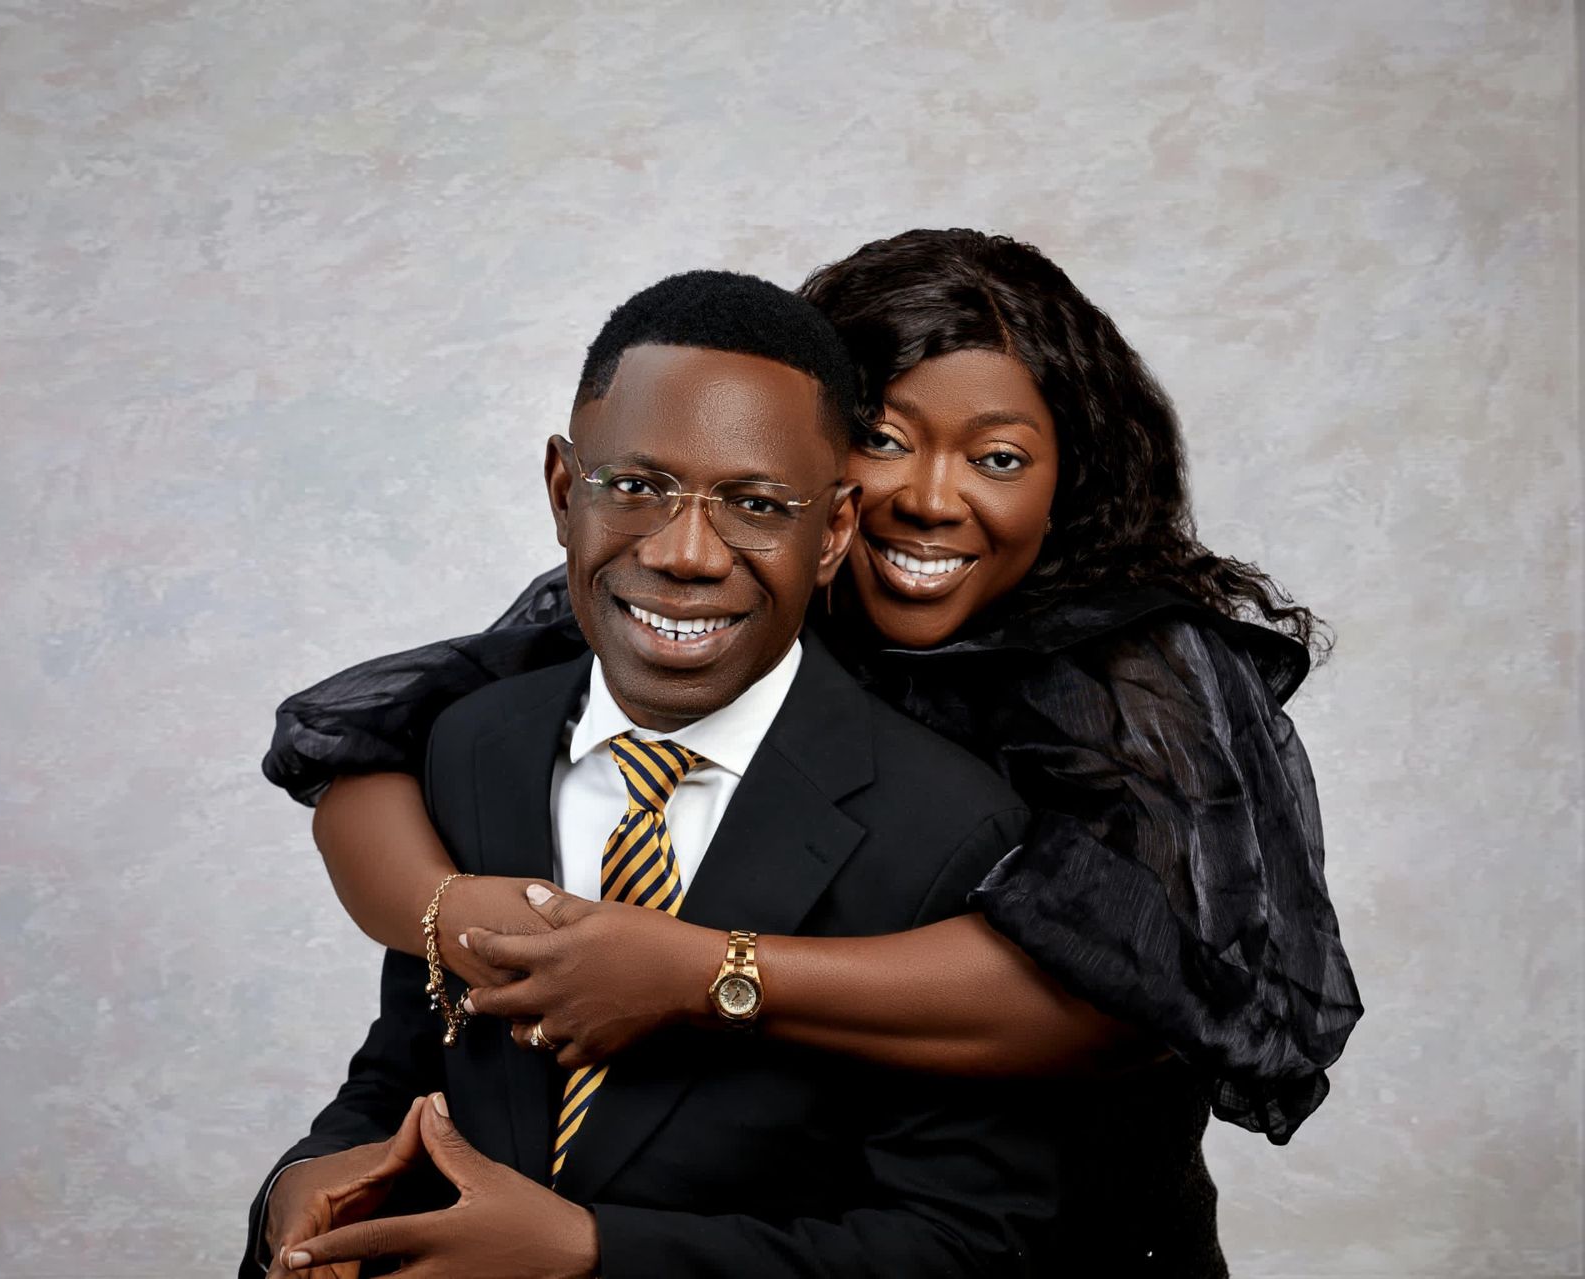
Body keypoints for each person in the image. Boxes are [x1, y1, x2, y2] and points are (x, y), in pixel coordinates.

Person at [264, 229, 1363, 1276]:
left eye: (997, 455)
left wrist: (705, 972)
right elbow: (386, 746)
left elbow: (1131, 997)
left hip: (1080, 1227)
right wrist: (450, 915)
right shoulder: (711, 590)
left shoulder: (1138, 683)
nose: (929, 499)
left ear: (1069, 475)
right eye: (884, 438)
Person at [242, 270, 1063, 1279]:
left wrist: (591, 1255)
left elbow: (962, 1248)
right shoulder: (470, 750)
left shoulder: (948, 829)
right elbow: (405, 1071)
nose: (684, 554)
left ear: (835, 532)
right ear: (560, 491)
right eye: (634, 487)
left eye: (756, 503)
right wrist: (309, 1180)